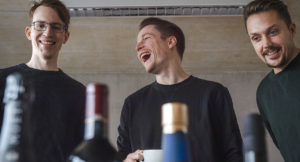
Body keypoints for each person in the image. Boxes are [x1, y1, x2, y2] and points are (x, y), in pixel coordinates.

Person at [117, 17, 243, 162]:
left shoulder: (213, 93)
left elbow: (234, 153)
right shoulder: (132, 104)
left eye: (146, 38)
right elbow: (121, 156)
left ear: (171, 42)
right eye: (137, 43)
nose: (138, 47)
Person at [0, 0, 85, 161]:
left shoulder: (79, 93)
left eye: (56, 26)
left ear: (65, 36)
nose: (48, 33)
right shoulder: (3, 80)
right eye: (40, 25)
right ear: (28, 32)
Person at [244, 0, 300, 161]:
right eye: (256, 38)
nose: (266, 44)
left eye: (273, 32)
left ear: (292, 30)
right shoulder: (264, 91)